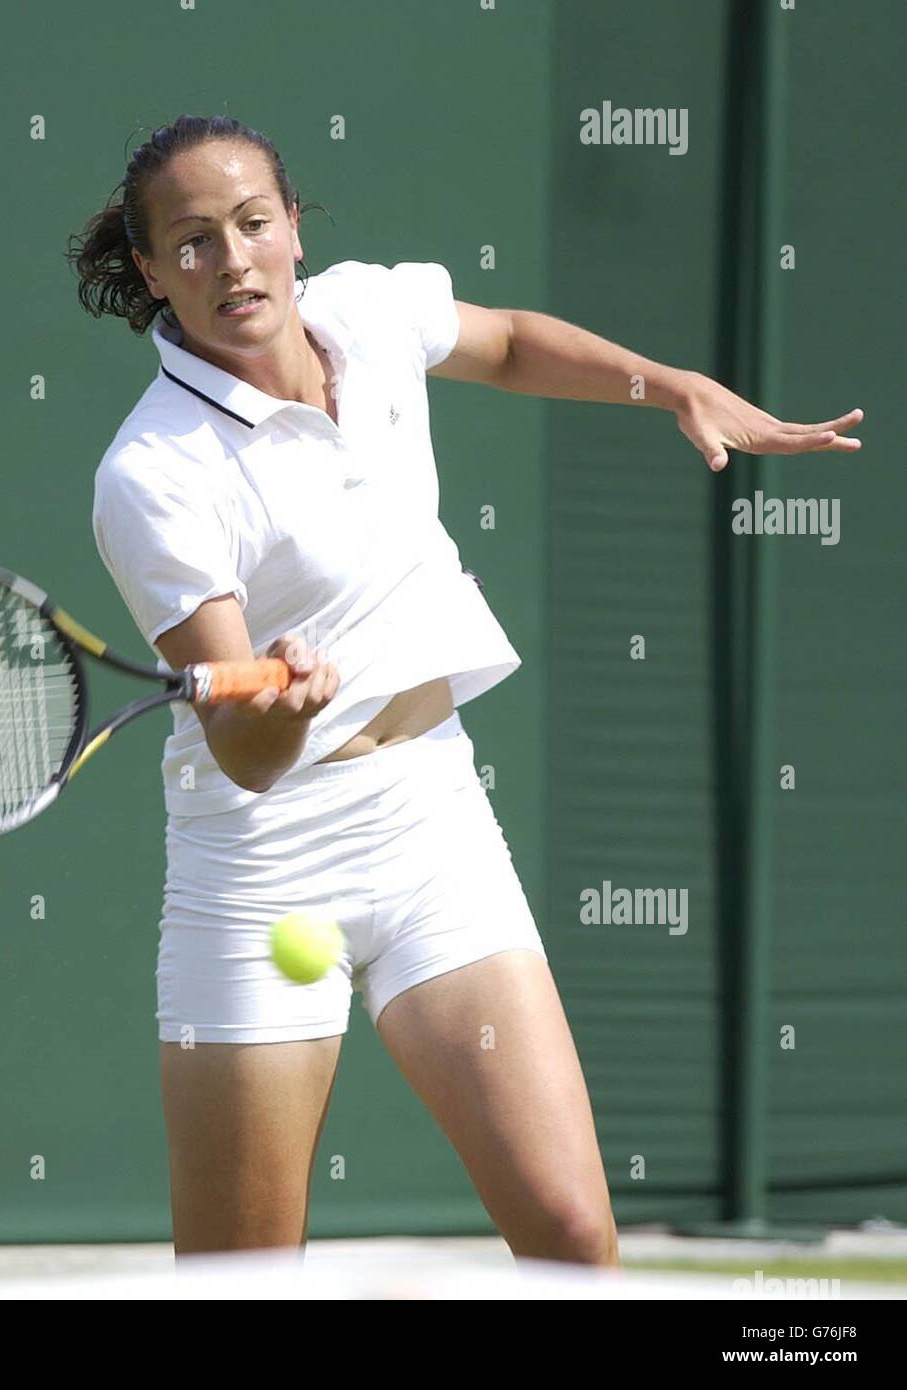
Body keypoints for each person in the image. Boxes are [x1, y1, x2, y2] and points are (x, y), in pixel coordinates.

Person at [67, 114, 862, 1263]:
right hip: (263, 868)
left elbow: (506, 342)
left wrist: (669, 382)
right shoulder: (154, 475)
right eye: (190, 242)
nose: (230, 260)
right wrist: (277, 708)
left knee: (572, 1229)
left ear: (293, 227)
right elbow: (244, 753)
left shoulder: (368, 314)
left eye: (250, 224)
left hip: (433, 823)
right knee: (242, 1279)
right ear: (150, 272)